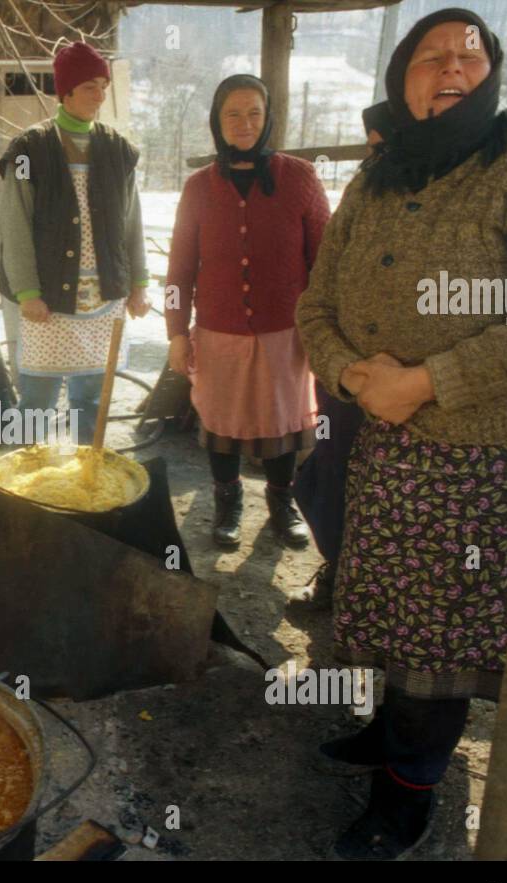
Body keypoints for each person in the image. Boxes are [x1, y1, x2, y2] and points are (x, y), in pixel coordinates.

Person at [295, 8, 507, 859]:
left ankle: (408, 796)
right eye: (431, 55)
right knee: (383, 601)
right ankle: (390, 737)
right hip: (381, 440)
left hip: (479, 455)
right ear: (402, 79)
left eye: (472, 53)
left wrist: (427, 381)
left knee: (442, 634)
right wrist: (354, 376)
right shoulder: (378, 176)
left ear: (494, 72)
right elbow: (316, 306)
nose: (452, 65)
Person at [165, 74, 328, 548]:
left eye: (254, 112)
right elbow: (178, 270)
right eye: (232, 113)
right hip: (218, 332)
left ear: (268, 116)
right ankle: (228, 502)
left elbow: (326, 259)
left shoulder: (299, 178)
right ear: (217, 120)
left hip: (285, 332)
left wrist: (324, 332)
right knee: (221, 423)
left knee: (281, 423)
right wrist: (177, 332)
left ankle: (281, 501)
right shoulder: (199, 187)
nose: (244, 122)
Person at [0, 41, 151, 445]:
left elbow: (131, 222)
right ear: (64, 93)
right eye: (89, 87)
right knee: (37, 398)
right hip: (45, 300)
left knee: (91, 397)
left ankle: (87, 478)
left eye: (103, 86)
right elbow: (13, 225)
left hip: (104, 298)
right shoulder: (30, 149)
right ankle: (27, 476)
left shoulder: (118, 150)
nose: (99, 96)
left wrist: (138, 284)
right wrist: (28, 292)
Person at [288, 101, 391, 607]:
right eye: (372, 146)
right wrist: (342, 364)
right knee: (332, 468)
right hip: (344, 375)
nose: (378, 155)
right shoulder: (363, 192)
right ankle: (336, 568)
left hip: (419, 385)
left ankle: (381, 590)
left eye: (385, 143)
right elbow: (320, 289)